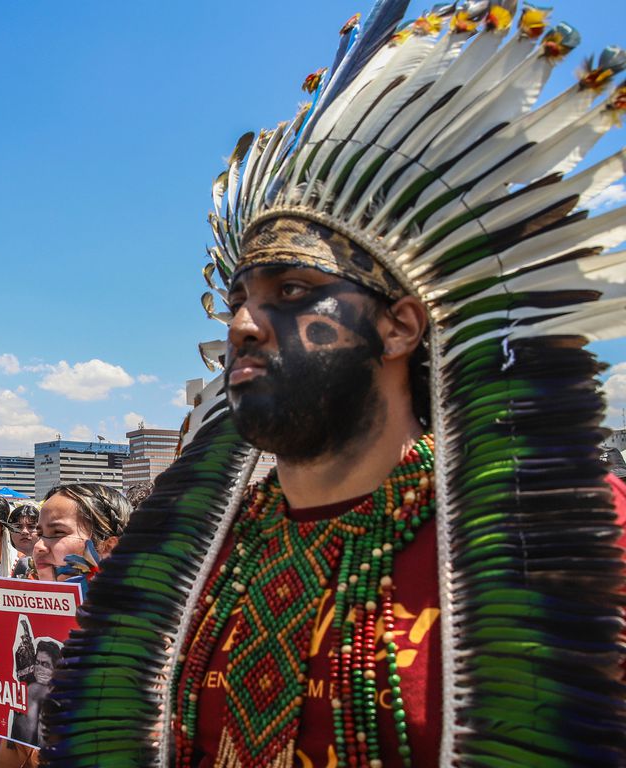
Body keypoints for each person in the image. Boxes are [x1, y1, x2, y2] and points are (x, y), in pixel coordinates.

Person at [40, 6, 626, 767]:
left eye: (292, 291)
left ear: (399, 327)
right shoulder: (189, 557)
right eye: (237, 300)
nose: (244, 325)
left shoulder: (561, 528)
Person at [0, 482, 129, 767]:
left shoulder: (129, 645)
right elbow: (16, 758)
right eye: (40, 534)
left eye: (57, 533)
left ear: (108, 547)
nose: (39, 546)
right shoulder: (44, 633)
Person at [7, 503, 39, 577]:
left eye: (31, 526)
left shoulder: (49, 563)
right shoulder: (0, 562)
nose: (24, 531)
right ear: (9, 531)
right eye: (18, 527)